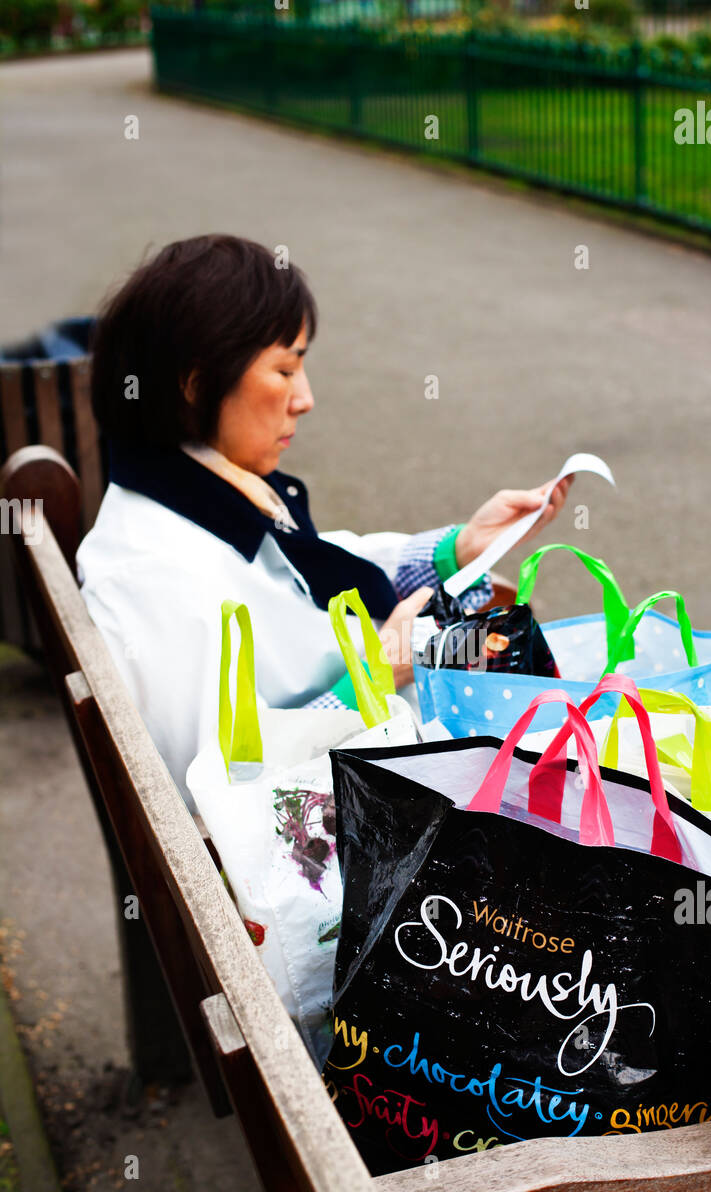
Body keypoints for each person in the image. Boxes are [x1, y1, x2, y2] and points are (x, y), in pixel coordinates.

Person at [76, 235, 572, 810]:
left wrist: (458, 550)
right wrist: (378, 673)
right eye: (284, 370)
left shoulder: (190, 488)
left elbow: (304, 571)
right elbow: (225, 789)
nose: (305, 398)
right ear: (195, 383)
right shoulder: (155, 575)